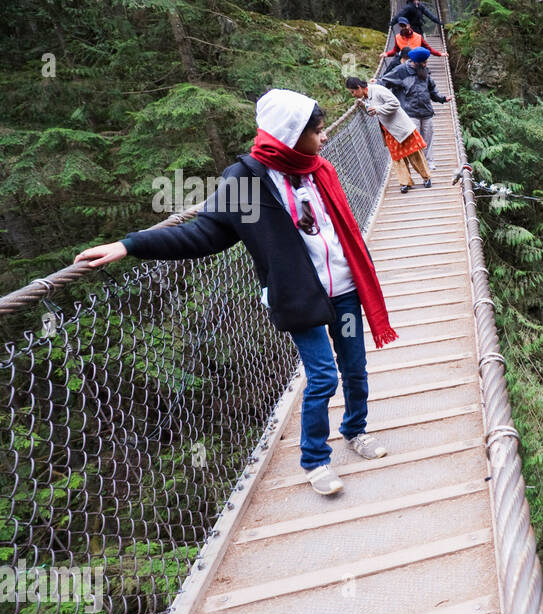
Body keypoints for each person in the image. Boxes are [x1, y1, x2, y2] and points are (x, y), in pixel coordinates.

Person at [73, 89, 397, 496]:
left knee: (354, 367)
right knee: (322, 378)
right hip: (299, 297)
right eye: (317, 132)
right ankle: (315, 460)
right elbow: (203, 234)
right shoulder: (246, 181)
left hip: (346, 289)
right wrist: (131, 245)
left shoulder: (317, 168)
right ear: (291, 136)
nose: (325, 138)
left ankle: (355, 431)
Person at [346, 76, 431, 192]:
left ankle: (426, 177)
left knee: (414, 153)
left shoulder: (378, 90)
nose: (353, 95)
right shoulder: (366, 98)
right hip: (388, 131)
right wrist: (364, 107)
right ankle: (405, 183)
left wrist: (378, 109)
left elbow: (395, 103)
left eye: (353, 92)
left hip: (400, 127)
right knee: (397, 157)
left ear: (359, 87)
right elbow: (372, 112)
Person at [378, 47, 449, 168]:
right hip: (409, 112)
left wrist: (442, 99)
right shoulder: (401, 71)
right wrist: (372, 90)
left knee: (428, 138)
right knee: (415, 140)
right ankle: (420, 165)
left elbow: (432, 89)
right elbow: (384, 82)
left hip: (426, 111)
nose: (426, 64)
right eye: (424, 62)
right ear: (415, 61)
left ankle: (430, 162)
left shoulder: (424, 71)